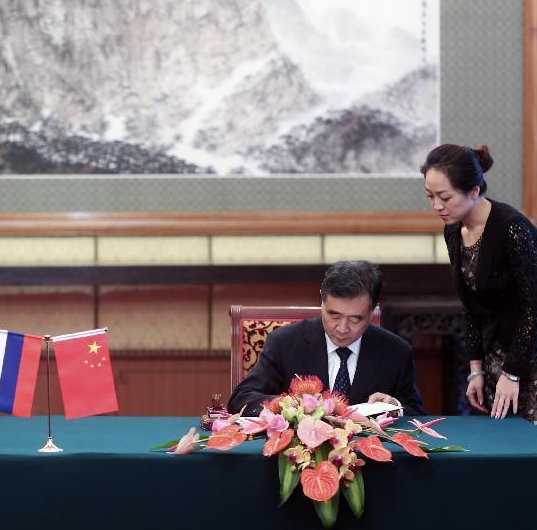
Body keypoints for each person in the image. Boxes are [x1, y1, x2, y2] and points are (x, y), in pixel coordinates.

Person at [421, 144, 537, 422]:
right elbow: (471, 305)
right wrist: (477, 368)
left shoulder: (512, 228)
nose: (437, 205)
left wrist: (513, 372)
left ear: (473, 191)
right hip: (496, 352)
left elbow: (533, 307)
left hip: (529, 353)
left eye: (445, 197)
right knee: (502, 447)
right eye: (430, 196)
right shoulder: (453, 229)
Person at [228, 260, 424, 415]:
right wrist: (289, 406)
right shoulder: (285, 343)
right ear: (321, 302)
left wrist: (394, 406)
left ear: (372, 311)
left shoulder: (395, 351)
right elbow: (241, 399)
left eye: (355, 319)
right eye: (334, 315)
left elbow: (416, 413)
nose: (342, 328)